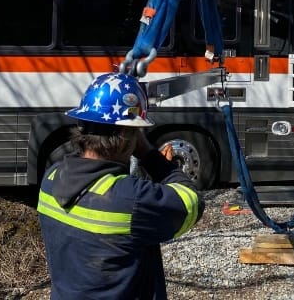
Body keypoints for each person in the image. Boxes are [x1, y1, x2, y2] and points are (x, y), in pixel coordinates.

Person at [37, 72, 205, 299]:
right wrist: (150, 155)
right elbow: (191, 202)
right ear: (127, 134)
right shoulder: (128, 199)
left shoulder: (51, 177)